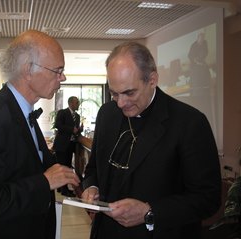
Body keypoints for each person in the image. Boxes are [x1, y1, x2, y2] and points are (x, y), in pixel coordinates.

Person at [81, 41, 221, 239]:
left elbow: (208, 199)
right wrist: (92, 188)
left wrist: (150, 212)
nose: (121, 103)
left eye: (130, 92)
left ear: (152, 79)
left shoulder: (189, 122)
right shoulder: (107, 114)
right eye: (114, 93)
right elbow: (94, 168)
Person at [0, 30, 80, 239]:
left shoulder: (21, 111)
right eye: (57, 70)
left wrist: (58, 173)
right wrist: (44, 182)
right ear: (28, 69)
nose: (63, 77)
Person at [53, 96, 83, 196]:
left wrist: (79, 130)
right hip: (61, 145)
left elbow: (75, 131)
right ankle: (64, 190)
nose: (78, 104)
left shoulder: (77, 116)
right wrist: (71, 129)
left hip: (71, 145)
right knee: (62, 167)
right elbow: (58, 125)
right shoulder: (63, 112)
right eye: (76, 102)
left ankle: (62, 188)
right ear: (70, 103)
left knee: (67, 166)